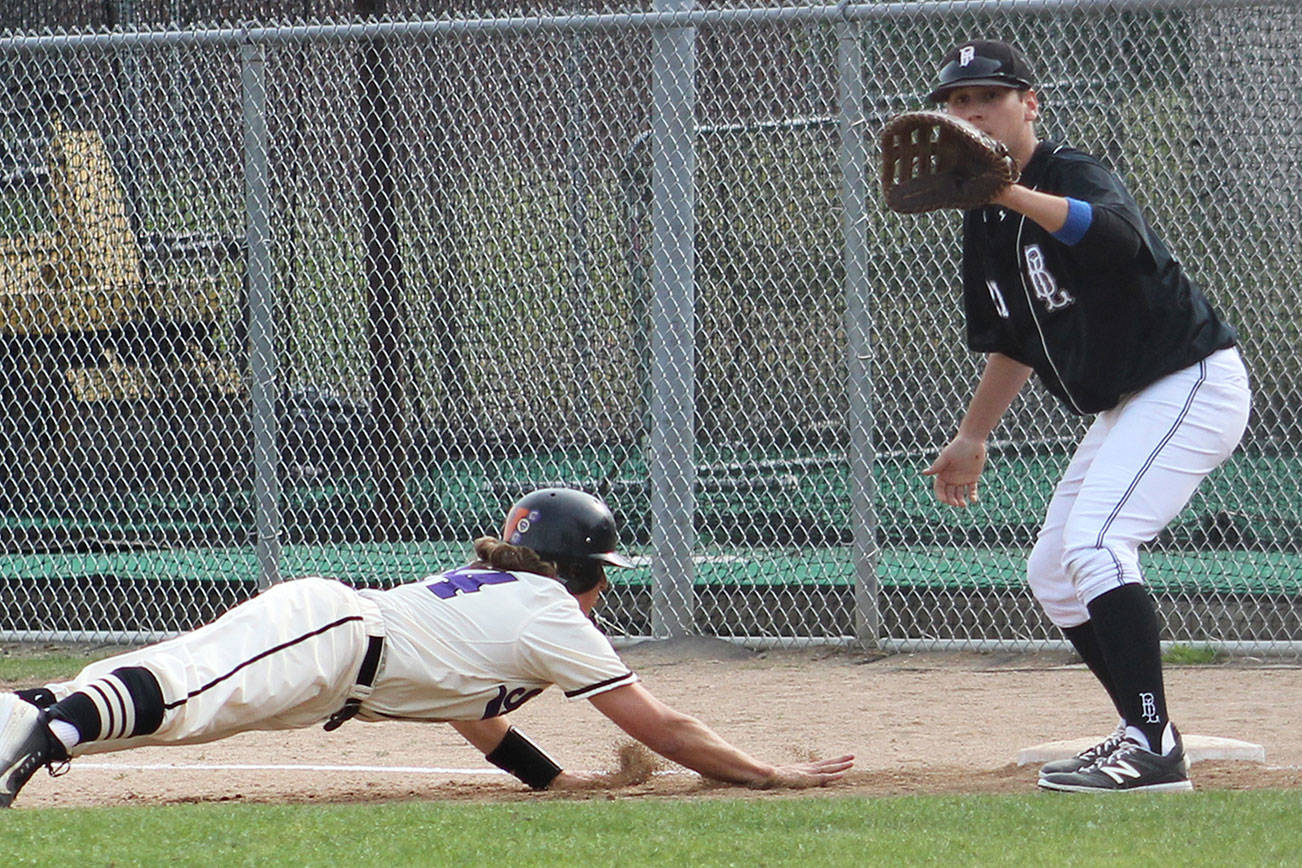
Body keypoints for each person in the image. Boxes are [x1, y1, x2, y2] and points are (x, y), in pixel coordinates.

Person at [0, 487, 853, 807]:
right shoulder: (550, 612)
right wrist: (768, 773)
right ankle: (47, 737)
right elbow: (662, 727)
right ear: (567, 568)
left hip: (332, 675)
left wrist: (552, 782)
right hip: (333, 635)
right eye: (600, 572)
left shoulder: (515, 608)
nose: (603, 589)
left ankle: (24, 720)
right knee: (184, 686)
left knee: (173, 713)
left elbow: (469, 715)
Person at [919, 40, 1251, 792]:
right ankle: (1147, 731)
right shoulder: (983, 220)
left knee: (1100, 541)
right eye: (958, 103)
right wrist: (973, 436)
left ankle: (1152, 749)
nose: (971, 112)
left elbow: (1114, 237)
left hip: (1190, 379)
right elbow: (1013, 341)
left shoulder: (1070, 173)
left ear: (1029, 104)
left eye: (989, 98)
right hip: (1133, 401)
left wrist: (1007, 193)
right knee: (1054, 572)